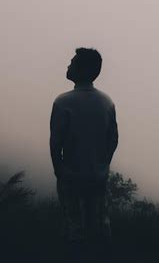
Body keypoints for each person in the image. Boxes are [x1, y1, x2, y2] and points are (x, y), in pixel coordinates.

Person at [49, 47, 119, 262]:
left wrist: (59, 170)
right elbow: (113, 139)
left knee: (74, 228)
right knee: (98, 227)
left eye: (72, 62)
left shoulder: (63, 102)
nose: (68, 65)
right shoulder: (106, 102)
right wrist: (103, 165)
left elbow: (56, 142)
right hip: (97, 177)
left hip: (71, 177)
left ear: (82, 69)